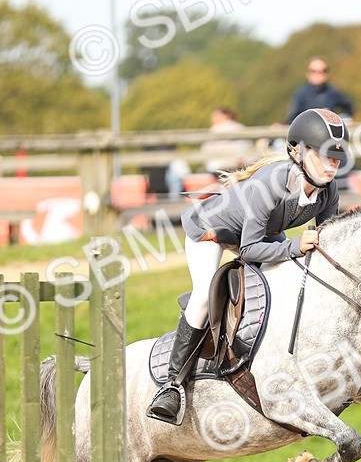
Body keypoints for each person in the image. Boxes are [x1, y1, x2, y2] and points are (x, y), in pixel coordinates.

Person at [147, 108, 348, 424]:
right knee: (202, 295)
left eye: (336, 158)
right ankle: (172, 385)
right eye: (324, 156)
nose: (332, 165)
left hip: (264, 232)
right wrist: (296, 245)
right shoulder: (270, 184)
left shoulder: (328, 191)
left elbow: (329, 241)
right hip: (213, 231)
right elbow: (249, 247)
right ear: (299, 152)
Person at [287, 59, 354, 124]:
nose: (319, 74)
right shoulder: (300, 93)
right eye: (314, 71)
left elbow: (348, 108)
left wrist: (340, 120)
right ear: (307, 73)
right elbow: (292, 118)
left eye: (323, 71)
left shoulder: (334, 92)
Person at [201, 107, 252, 175]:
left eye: (215, 116)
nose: (212, 119)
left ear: (225, 116)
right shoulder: (240, 127)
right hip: (239, 164)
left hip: (219, 165)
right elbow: (245, 146)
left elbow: (206, 149)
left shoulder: (214, 129)